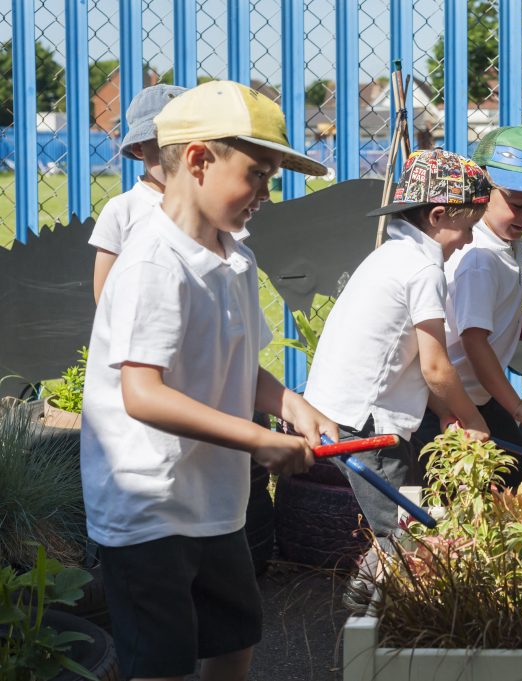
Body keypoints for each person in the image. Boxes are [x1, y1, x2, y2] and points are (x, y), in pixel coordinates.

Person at [81, 80, 339, 681]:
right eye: (257, 173)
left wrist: (290, 402)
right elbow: (142, 393)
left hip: (215, 498)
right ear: (198, 160)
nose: (265, 194)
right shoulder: (152, 262)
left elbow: (237, 365)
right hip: (150, 504)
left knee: (235, 636)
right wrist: (257, 440)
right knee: (162, 661)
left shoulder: (237, 259)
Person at [303, 148, 493, 539]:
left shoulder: (392, 254)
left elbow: (403, 357)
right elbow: (435, 366)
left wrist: (444, 412)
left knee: (404, 523)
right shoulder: (423, 269)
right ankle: (379, 600)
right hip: (367, 425)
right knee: (407, 534)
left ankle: (365, 595)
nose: (471, 238)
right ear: (438, 216)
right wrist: (473, 420)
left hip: (340, 412)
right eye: (469, 225)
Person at [415, 127, 522, 463]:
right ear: (483, 188)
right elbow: (474, 342)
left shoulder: (497, 244)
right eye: (519, 203)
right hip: (450, 405)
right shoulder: (481, 258)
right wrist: (518, 405)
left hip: (473, 393)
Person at [88, 84, 185, 302]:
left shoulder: (212, 207)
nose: (183, 157)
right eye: (168, 145)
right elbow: (103, 295)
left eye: (190, 144)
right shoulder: (121, 210)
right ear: (139, 149)